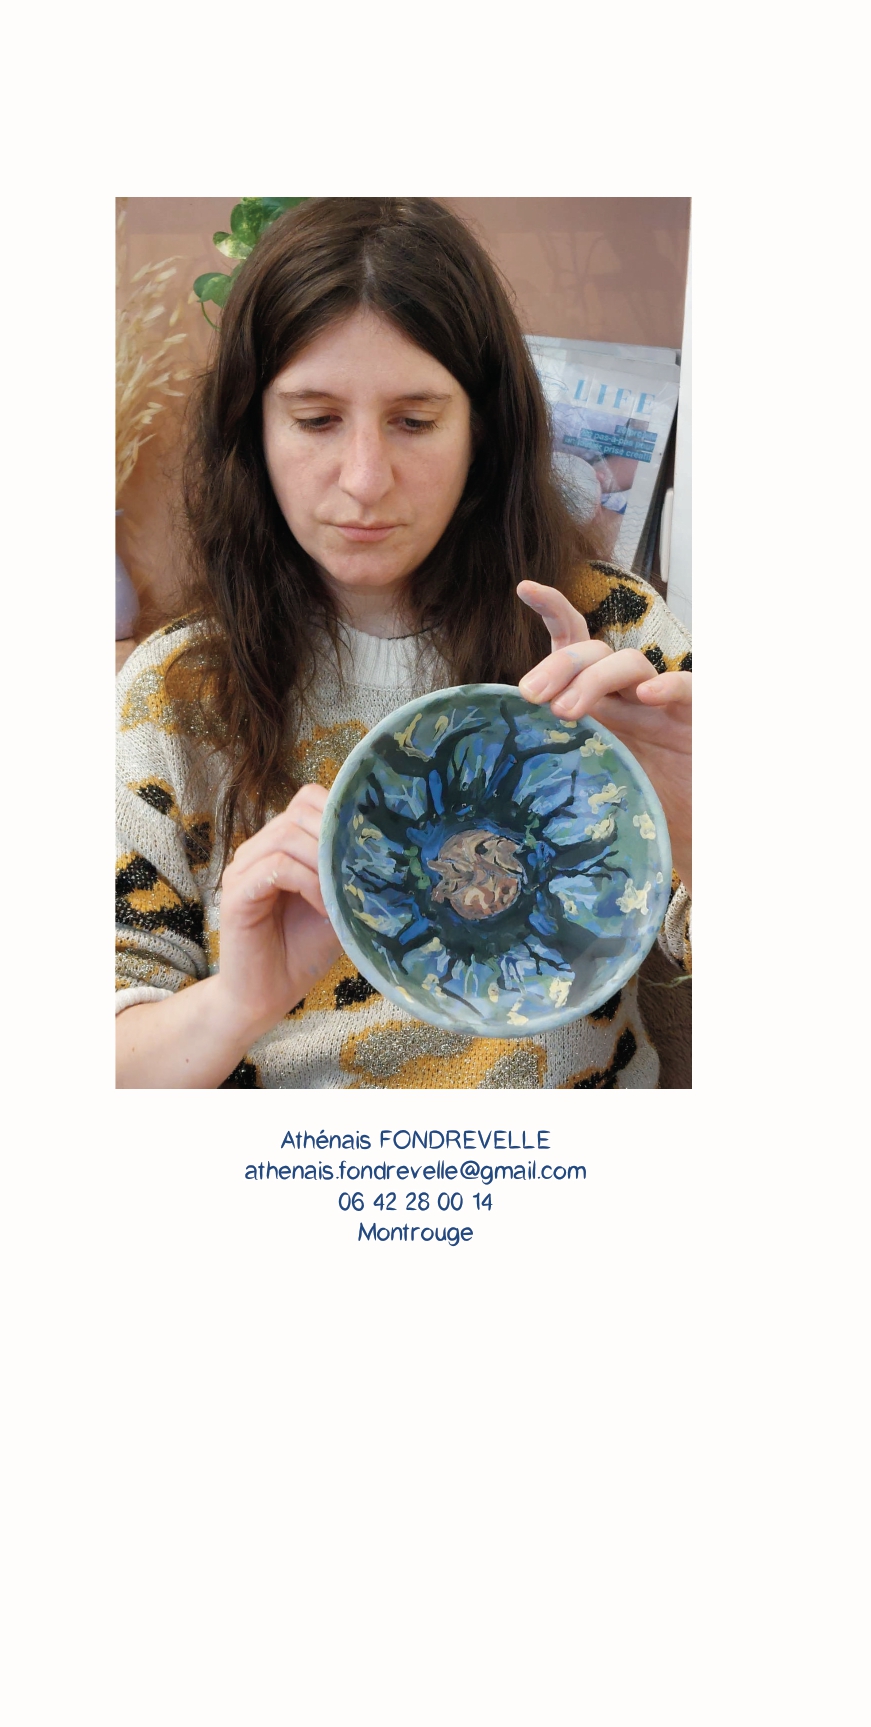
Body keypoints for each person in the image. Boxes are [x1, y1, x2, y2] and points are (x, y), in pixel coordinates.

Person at [115, 198, 691, 1089]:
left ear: (482, 430)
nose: (364, 479)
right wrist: (237, 1002)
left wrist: (700, 834)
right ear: (252, 430)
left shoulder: (616, 639)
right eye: (315, 420)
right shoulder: (177, 690)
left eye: (415, 422)